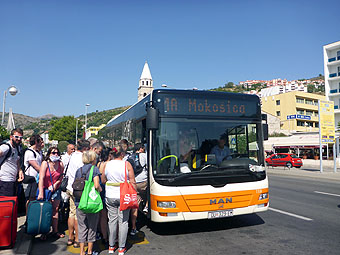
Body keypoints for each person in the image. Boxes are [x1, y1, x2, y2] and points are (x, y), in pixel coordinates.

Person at [102, 146, 136, 255]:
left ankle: (111, 246)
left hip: (110, 195)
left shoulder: (107, 165)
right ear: (122, 154)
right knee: (123, 221)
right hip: (124, 195)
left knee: (112, 220)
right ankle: (121, 248)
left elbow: (103, 180)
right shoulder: (127, 164)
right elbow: (133, 181)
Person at [74, 150, 102, 255]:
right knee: (92, 227)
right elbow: (96, 185)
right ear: (92, 159)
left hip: (80, 202)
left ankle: (82, 251)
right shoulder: (94, 169)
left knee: (82, 227)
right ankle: (89, 251)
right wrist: (100, 189)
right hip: (91, 203)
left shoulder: (79, 170)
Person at [65, 139, 90, 248]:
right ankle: (77, 239)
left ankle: (70, 237)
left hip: (69, 187)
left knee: (71, 212)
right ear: (85, 149)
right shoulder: (81, 158)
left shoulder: (72, 156)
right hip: (78, 189)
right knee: (78, 215)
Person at [37, 147, 65, 240]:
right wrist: (41, 192)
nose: (55, 154)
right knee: (45, 210)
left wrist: (56, 185)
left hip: (55, 189)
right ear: (49, 154)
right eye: (53, 153)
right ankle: (44, 231)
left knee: (55, 209)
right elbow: (41, 178)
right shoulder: (45, 163)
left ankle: (55, 230)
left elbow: (61, 177)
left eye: (57, 153)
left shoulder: (60, 164)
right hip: (45, 189)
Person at [129, 143, 147, 236]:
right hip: (144, 183)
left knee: (135, 206)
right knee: (152, 190)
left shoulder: (129, 156)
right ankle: (147, 206)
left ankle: (133, 227)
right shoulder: (144, 156)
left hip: (134, 184)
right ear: (141, 149)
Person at [0, 128, 24, 196]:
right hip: (4, 181)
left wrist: (20, 171)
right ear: (11, 137)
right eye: (16, 137)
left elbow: (17, 160)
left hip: (13, 181)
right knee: (6, 204)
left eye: (20, 137)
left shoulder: (18, 147)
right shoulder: (6, 147)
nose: (18, 139)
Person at [23, 135, 43, 213]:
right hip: (30, 179)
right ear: (36, 142)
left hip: (37, 179)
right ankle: (28, 218)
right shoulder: (29, 152)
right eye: (40, 141)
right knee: (29, 199)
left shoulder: (39, 152)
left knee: (34, 198)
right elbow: (36, 166)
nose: (42, 143)